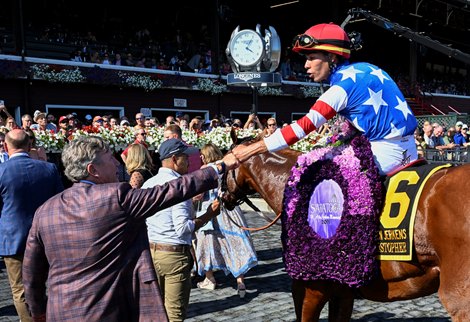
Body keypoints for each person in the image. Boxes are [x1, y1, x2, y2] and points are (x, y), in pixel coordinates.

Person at [23, 136, 238, 321]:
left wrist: (39, 314)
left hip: (60, 312)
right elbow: (173, 190)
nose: (118, 164)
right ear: (93, 170)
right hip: (107, 311)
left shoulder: (45, 210)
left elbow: (32, 274)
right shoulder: (116, 196)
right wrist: (218, 168)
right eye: (110, 158)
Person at [233, 23, 418, 176]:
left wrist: (249, 150)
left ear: (331, 57)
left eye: (312, 58)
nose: (306, 65)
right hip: (410, 150)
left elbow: (301, 128)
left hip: (385, 158)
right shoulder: (367, 67)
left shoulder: (339, 89)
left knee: (315, 177)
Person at [142, 139, 225, 322]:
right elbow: (183, 229)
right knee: (175, 315)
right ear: (174, 159)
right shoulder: (180, 185)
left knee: (154, 313)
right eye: (185, 157)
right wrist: (208, 215)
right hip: (173, 255)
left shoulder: (149, 183)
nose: (189, 161)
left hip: (151, 252)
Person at [0, 129, 64, 322]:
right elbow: (59, 202)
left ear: (5, 146)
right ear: (30, 146)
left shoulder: (2, 171)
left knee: (20, 289)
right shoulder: (49, 169)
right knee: (51, 283)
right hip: (46, 235)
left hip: (14, 238)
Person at [195, 143, 258, 298]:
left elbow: (200, 194)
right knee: (234, 242)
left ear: (206, 155)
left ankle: (209, 279)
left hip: (212, 209)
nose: (201, 157)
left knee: (207, 242)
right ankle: (240, 280)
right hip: (229, 208)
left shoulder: (205, 170)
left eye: (202, 154)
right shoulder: (226, 167)